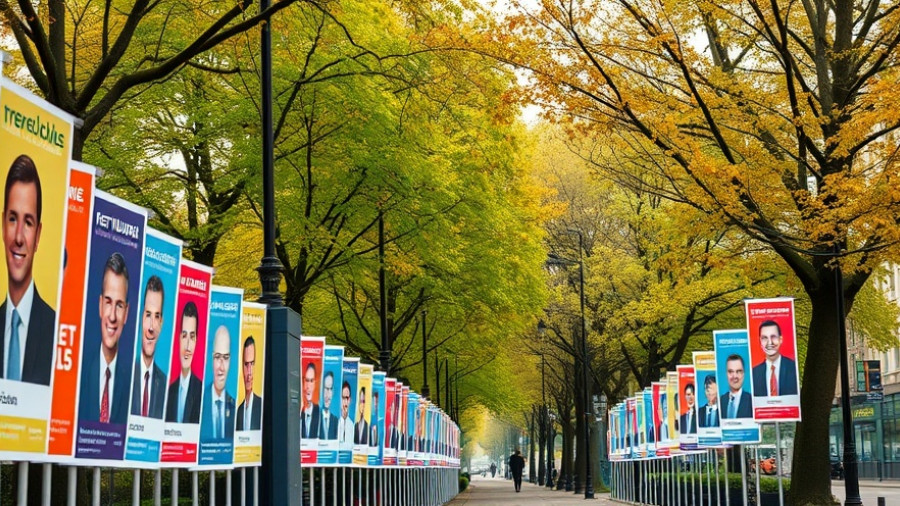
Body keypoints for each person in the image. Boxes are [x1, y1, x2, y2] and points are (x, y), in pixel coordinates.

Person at [0, 155, 54, 385]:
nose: (19, 237)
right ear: (3, 225)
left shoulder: (56, 330)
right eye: (13, 219)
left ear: (38, 235)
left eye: (28, 222)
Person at [79, 253, 132, 424]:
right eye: (108, 302)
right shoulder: (80, 373)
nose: (112, 316)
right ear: (100, 305)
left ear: (126, 313)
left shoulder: (132, 384)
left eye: (119, 305)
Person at [131, 275, 167, 419]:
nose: (151, 327)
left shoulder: (165, 385)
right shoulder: (125, 375)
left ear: (162, 323)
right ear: (140, 318)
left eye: (157, 316)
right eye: (148, 315)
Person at [165, 301, 202, 423]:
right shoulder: (169, 392)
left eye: (192, 337)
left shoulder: (201, 392)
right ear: (179, 338)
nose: (187, 346)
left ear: (196, 341)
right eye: (184, 336)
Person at [200, 325, 235, 439]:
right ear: (211, 359)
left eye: (225, 358)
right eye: (217, 357)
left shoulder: (235, 408)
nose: (221, 367)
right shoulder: (198, 403)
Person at [752, 320, 798, 397]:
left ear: (780, 339)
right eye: (764, 338)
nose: (770, 342)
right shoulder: (754, 373)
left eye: (773, 337)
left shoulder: (793, 368)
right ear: (760, 342)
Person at [236, 336, 262, 430]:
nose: (249, 372)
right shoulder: (239, 411)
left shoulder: (261, 405)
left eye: (252, 364)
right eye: (246, 364)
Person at [721, 354, 753, 418]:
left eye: (738, 371)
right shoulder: (720, 401)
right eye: (730, 372)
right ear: (726, 374)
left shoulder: (752, 401)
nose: (734, 376)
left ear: (743, 374)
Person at [301, 361, 321, 439]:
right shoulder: (298, 411)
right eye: (307, 380)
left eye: (311, 381)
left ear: (315, 384)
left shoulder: (319, 412)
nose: (308, 386)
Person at [319, 371, 339, 440]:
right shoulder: (316, 418)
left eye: (330, 389)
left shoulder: (335, 421)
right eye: (326, 388)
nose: (327, 394)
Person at [337, 381, 354, 446]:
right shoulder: (335, 423)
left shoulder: (352, 426)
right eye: (343, 398)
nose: (346, 401)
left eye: (347, 398)